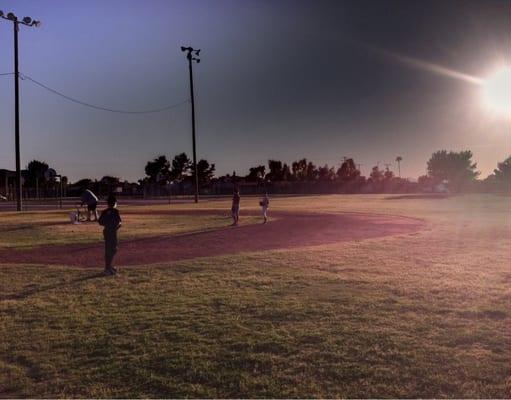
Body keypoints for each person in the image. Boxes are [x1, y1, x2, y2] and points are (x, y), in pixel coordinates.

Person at [98, 194, 122, 276]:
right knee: (113, 249)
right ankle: (108, 268)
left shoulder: (104, 212)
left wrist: (107, 223)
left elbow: (100, 222)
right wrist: (116, 226)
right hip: (113, 232)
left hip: (106, 231)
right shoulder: (116, 211)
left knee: (108, 249)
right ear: (115, 203)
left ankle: (108, 267)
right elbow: (119, 222)